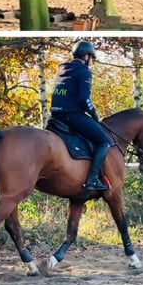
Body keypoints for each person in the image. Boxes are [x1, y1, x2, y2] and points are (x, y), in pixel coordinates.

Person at [50, 40, 111, 191]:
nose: (90, 61)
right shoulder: (84, 72)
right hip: (72, 116)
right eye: (91, 57)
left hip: (55, 116)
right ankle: (92, 180)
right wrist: (94, 114)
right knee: (104, 141)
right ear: (86, 56)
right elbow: (84, 99)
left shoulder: (62, 69)